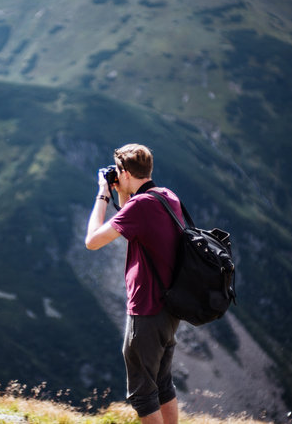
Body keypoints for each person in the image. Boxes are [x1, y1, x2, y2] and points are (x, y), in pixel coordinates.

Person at [85, 143, 184, 424]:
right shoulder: (165, 196)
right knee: (163, 384)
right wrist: (122, 192)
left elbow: (92, 241)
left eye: (118, 172)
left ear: (126, 172)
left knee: (142, 393)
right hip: (170, 308)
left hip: (147, 309)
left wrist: (103, 194)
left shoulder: (140, 206)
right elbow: (138, 227)